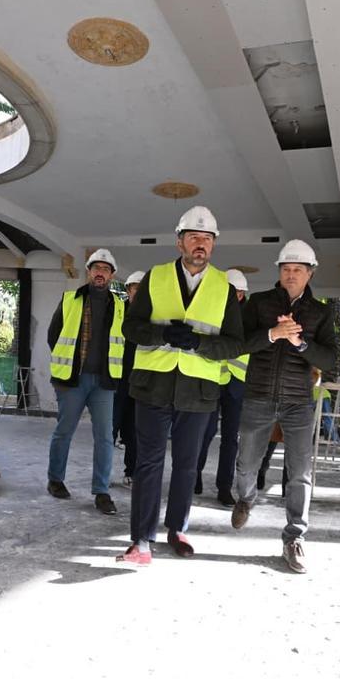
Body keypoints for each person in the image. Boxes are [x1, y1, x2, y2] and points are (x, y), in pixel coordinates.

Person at [118, 206, 243, 565]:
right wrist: (161, 334)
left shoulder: (224, 286)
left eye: (206, 239)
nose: (200, 244)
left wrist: (199, 344)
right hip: (153, 384)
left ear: (214, 245)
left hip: (199, 389)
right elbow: (131, 327)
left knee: (188, 465)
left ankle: (177, 529)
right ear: (179, 242)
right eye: (193, 237)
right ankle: (141, 540)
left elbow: (235, 343)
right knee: (149, 462)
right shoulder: (156, 277)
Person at [230, 240, 336, 574]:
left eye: (297, 270)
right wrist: (273, 334)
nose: (291, 275)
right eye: (286, 269)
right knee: (246, 464)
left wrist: (301, 343)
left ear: (310, 273)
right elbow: (239, 343)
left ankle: (294, 537)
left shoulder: (321, 312)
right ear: (279, 271)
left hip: (298, 403)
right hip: (258, 396)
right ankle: (246, 498)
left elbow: (331, 359)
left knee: (300, 473)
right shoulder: (259, 303)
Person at [45, 248, 125, 515]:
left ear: (112, 275)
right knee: (64, 431)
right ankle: (55, 479)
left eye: (105, 269)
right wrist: (64, 368)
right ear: (89, 272)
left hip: (104, 382)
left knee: (104, 437)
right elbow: (53, 335)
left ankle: (101, 492)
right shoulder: (71, 299)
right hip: (72, 380)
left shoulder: (121, 306)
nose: (100, 273)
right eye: (95, 268)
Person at [194, 268, 249, 507]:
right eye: (230, 291)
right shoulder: (212, 309)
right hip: (213, 380)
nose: (233, 296)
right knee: (203, 433)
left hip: (237, 384)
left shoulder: (250, 318)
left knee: (230, 438)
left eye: (237, 292)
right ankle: (193, 476)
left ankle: (224, 487)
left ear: (243, 294)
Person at [114, 270, 144, 485]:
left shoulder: (151, 317)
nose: (139, 293)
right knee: (109, 430)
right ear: (128, 290)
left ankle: (131, 472)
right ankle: (103, 474)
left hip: (140, 383)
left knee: (134, 432)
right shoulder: (116, 312)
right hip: (115, 380)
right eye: (136, 289)